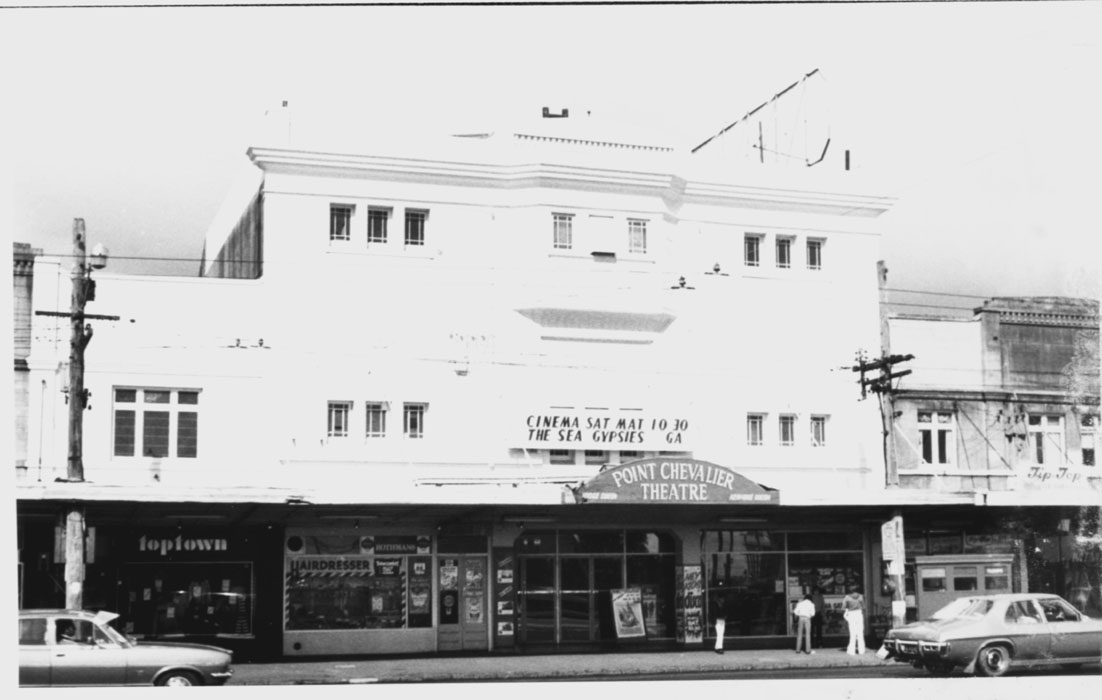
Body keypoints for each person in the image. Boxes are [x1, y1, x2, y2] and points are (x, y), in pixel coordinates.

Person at [842, 585, 866, 654]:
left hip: (851, 614)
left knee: (852, 633)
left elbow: (843, 607)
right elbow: (863, 607)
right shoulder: (861, 596)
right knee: (860, 633)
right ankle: (861, 650)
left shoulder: (847, 597)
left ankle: (851, 651)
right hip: (859, 614)